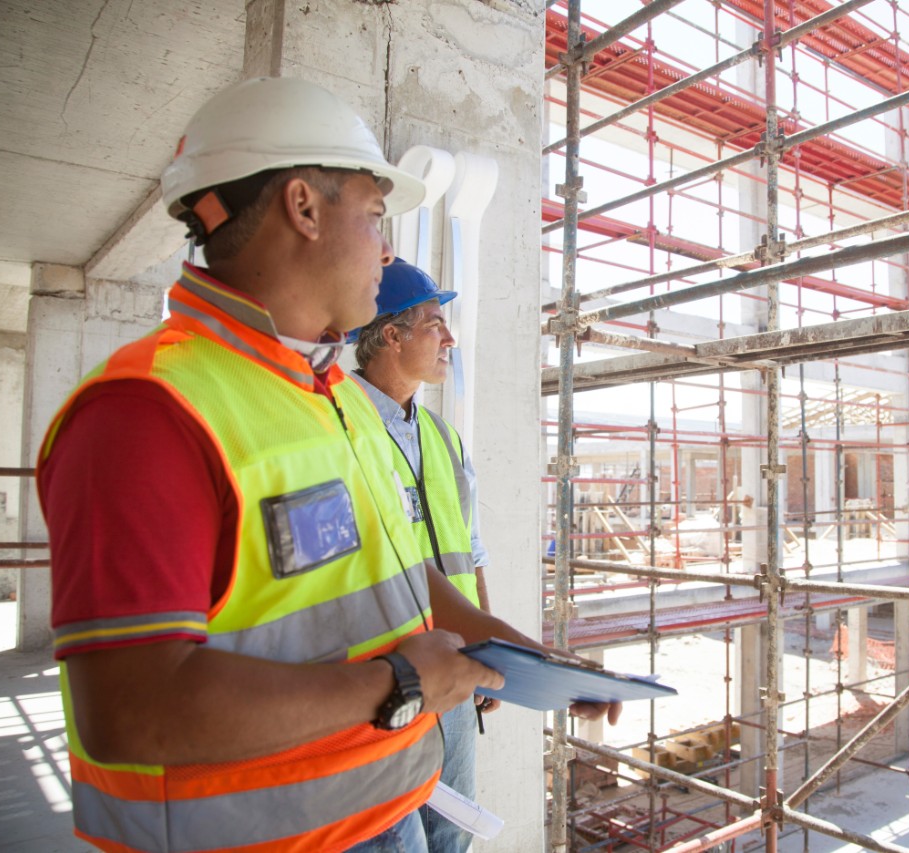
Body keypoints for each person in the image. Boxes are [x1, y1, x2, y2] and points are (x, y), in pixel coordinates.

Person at [35, 76, 613, 853]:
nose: (387, 248)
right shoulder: (147, 413)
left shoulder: (330, 390)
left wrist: (520, 652)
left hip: (382, 810)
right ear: (303, 207)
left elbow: (401, 582)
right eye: (376, 216)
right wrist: (402, 682)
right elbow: (132, 710)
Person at [351, 260, 618, 852]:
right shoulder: (340, 425)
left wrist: (492, 651)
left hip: (454, 671)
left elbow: (468, 552)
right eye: (434, 324)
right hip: (384, 679)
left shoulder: (443, 437)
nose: (449, 339)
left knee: (452, 836)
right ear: (391, 335)